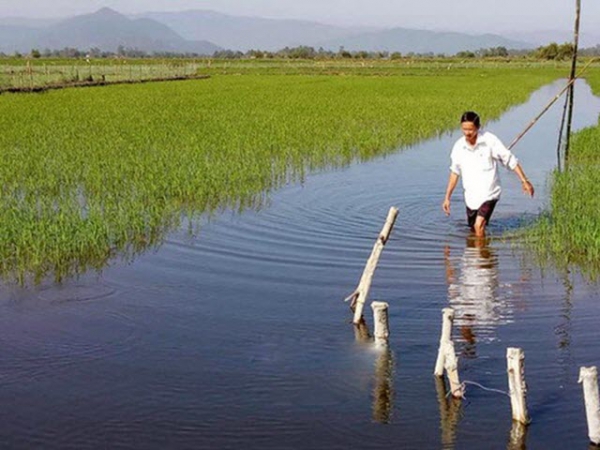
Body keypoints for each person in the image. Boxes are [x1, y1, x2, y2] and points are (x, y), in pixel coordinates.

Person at [442, 111, 535, 236]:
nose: (467, 133)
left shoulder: (489, 141)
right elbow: (454, 173)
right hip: (471, 196)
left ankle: (481, 252)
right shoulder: (459, 147)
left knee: (478, 225)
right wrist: (447, 198)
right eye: (464, 129)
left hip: (490, 193)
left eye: (471, 129)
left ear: (478, 127)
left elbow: (509, 159)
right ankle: (483, 253)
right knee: (474, 230)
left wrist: (524, 181)